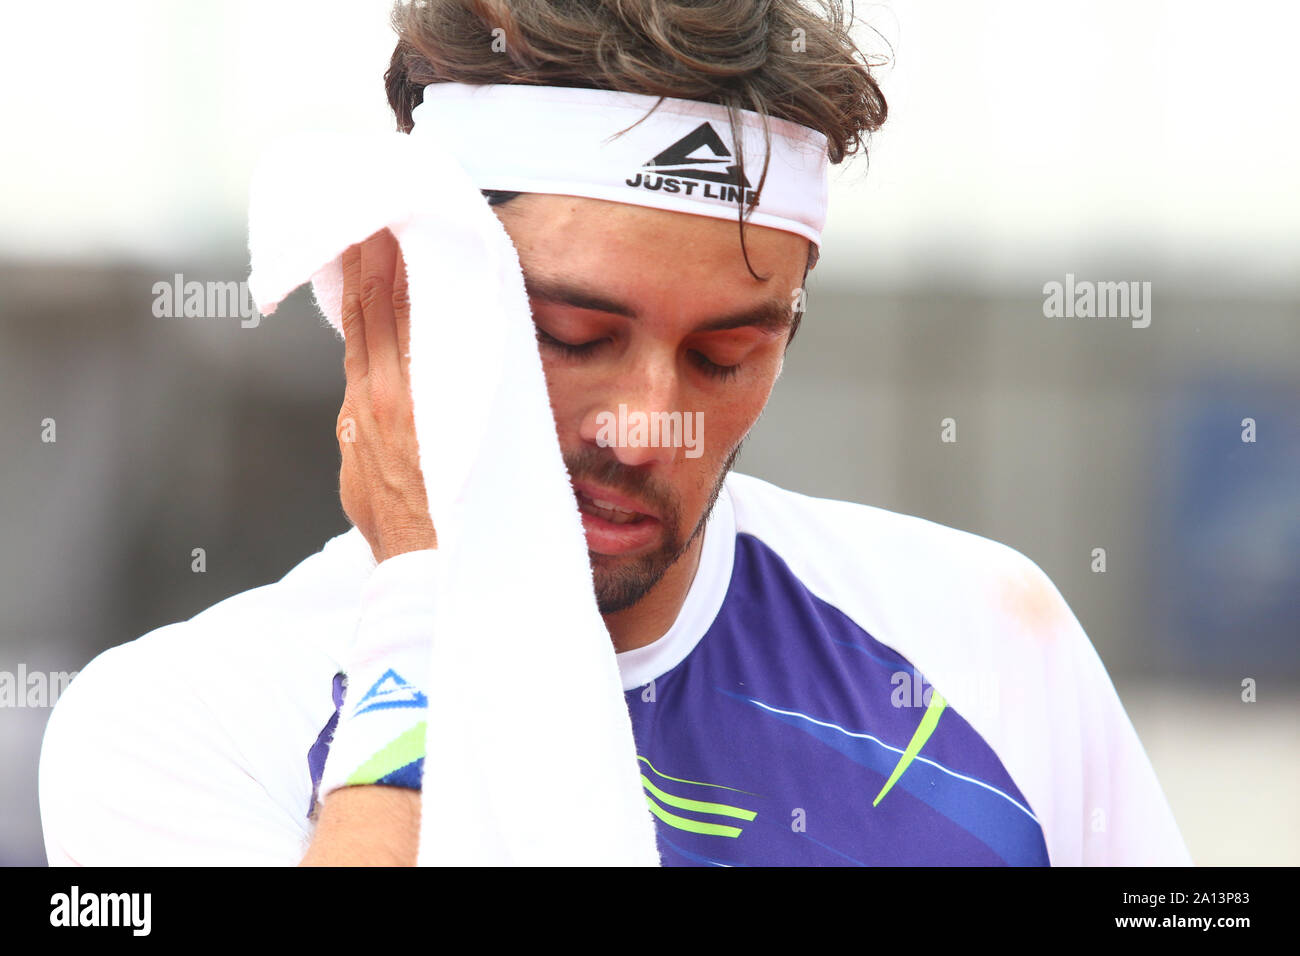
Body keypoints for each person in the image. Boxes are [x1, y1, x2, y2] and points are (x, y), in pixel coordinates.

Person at [39, 0, 1191, 866]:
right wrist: (421, 612)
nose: (649, 424)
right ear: (408, 291)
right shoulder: (183, 719)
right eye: (573, 333)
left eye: (725, 353)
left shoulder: (981, 640)